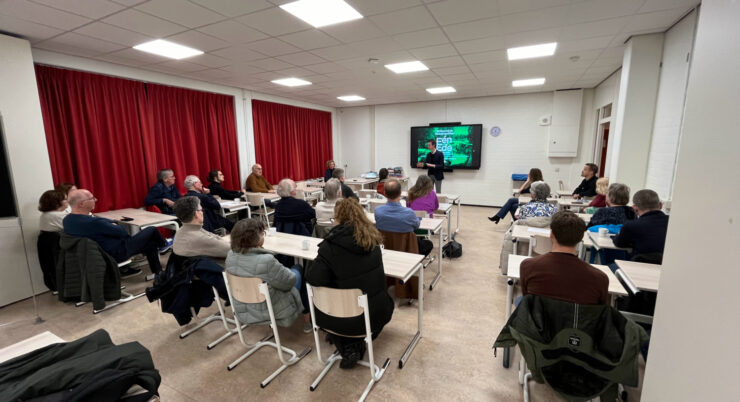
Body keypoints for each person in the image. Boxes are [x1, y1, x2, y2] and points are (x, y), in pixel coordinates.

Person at [306, 198, 394, 369]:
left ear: (337, 218)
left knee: (328, 293)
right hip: (374, 316)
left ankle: (348, 345)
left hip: (334, 317)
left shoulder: (329, 247)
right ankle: (353, 344)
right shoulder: (374, 242)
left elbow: (313, 279)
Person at [225, 218, 311, 332]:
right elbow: (289, 282)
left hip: (243, 307)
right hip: (269, 308)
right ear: (256, 237)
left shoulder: (230, 255)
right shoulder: (266, 260)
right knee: (298, 270)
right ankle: (307, 318)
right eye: (262, 233)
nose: (263, 236)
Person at [63, 189, 166, 275]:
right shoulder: (93, 222)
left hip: (94, 256)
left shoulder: (67, 220)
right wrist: (113, 225)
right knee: (151, 229)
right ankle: (164, 246)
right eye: (92, 198)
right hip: (116, 253)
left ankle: (159, 273)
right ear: (81, 204)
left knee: (151, 244)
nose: (96, 200)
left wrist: (110, 224)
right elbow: (123, 232)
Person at [520, 210, 609, 305]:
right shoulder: (600, 278)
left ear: (551, 234)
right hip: (578, 319)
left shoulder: (528, 266)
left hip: (538, 318)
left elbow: (526, 299)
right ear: (580, 238)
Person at [612, 189, 669, 263]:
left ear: (635, 209)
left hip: (639, 266)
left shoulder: (631, 226)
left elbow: (619, 243)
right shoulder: (674, 224)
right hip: (670, 268)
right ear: (660, 205)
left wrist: (616, 236)